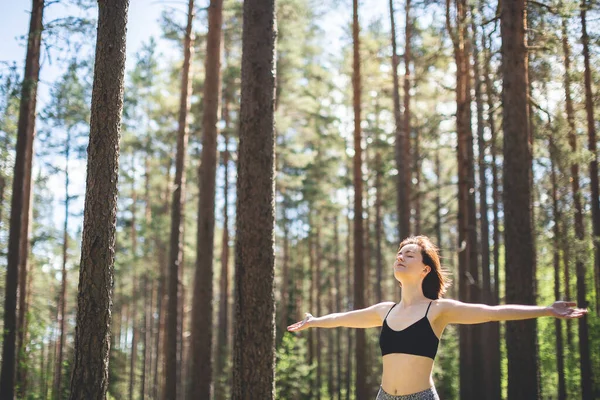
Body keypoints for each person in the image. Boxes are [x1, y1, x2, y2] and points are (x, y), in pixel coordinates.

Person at [287, 235, 588, 400]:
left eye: (409, 255)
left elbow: (493, 313)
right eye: (399, 253)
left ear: (425, 269)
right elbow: (345, 318)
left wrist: (546, 310)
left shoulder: (438, 310)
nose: (400, 257)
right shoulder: (385, 311)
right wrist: (315, 320)